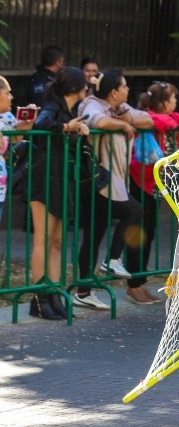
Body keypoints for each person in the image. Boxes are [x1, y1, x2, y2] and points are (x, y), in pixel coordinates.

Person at [75, 69, 153, 308]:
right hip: (98, 182)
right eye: (125, 86)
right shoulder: (92, 104)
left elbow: (147, 119)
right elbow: (96, 121)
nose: (128, 91)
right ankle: (113, 259)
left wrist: (124, 120)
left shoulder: (120, 108)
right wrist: (121, 124)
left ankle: (84, 291)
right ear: (113, 92)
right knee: (134, 211)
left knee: (94, 233)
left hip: (113, 184)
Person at [130, 82, 179, 303]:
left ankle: (140, 282)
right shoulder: (148, 117)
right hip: (142, 180)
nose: (176, 103)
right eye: (173, 99)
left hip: (158, 182)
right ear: (163, 102)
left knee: (148, 232)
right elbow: (159, 121)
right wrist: (178, 123)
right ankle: (134, 283)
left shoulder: (171, 118)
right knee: (139, 233)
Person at [28, 67, 90, 319]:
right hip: (44, 179)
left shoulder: (70, 112)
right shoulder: (54, 107)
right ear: (75, 89)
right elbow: (41, 124)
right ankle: (38, 297)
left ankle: (53, 295)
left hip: (61, 179)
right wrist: (67, 127)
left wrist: (78, 132)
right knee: (43, 239)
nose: (87, 90)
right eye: (85, 85)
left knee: (56, 242)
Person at [0, 76, 36, 221]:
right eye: (7, 93)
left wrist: (28, 122)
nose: (11, 97)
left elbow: (16, 138)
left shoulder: (7, 116)